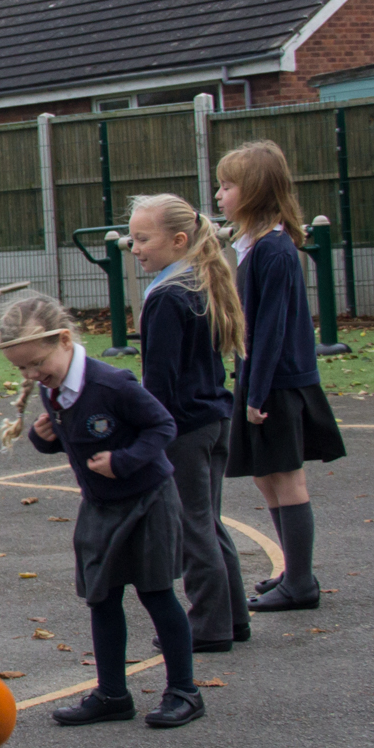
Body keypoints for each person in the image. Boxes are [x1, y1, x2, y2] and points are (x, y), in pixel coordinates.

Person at [0, 293, 203, 728]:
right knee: (102, 597)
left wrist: (124, 461)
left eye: (37, 363)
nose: (33, 375)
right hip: (101, 505)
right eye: (22, 369)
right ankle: (112, 694)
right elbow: (73, 439)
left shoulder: (112, 383)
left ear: (65, 341)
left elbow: (162, 426)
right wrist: (42, 437)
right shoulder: (53, 390)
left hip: (148, 500)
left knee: (156, 592)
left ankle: (184, 690)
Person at [214, 140, 346, 613]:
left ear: (253, 191)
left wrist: (257, 390)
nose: (219, 195)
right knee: (265, 477)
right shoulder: (255, 245)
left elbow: (268, 328)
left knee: (286, 478)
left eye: (227, 186)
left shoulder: (275, 249)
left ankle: (302, 582)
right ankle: (293, 570)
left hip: (278, 382)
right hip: (260, 377)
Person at [126, 194, 249, 652]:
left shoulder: (166, 297)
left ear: (179, 240)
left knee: (192, 527)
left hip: (185, 427)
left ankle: (209, 625)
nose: (134, 247)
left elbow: (160, 381)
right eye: (133, 239)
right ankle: (232, 617)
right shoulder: (200, 282)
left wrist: (146, 435)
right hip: (214, 418)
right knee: (208, 521)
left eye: (143, 238)